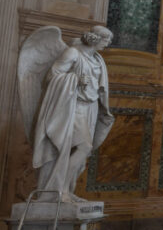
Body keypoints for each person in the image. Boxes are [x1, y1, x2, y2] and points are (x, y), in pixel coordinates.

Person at [25, 25, 115, 199]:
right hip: (72, 107)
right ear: (95, 38)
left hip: (90, 107)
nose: (108, 44)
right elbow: (52, 76)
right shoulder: (73, 53)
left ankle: (64, 190)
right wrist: (75, 79)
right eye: (106, 40)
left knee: (84, 150)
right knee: (84, 146)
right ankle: (58, 190)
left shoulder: (97, 59)